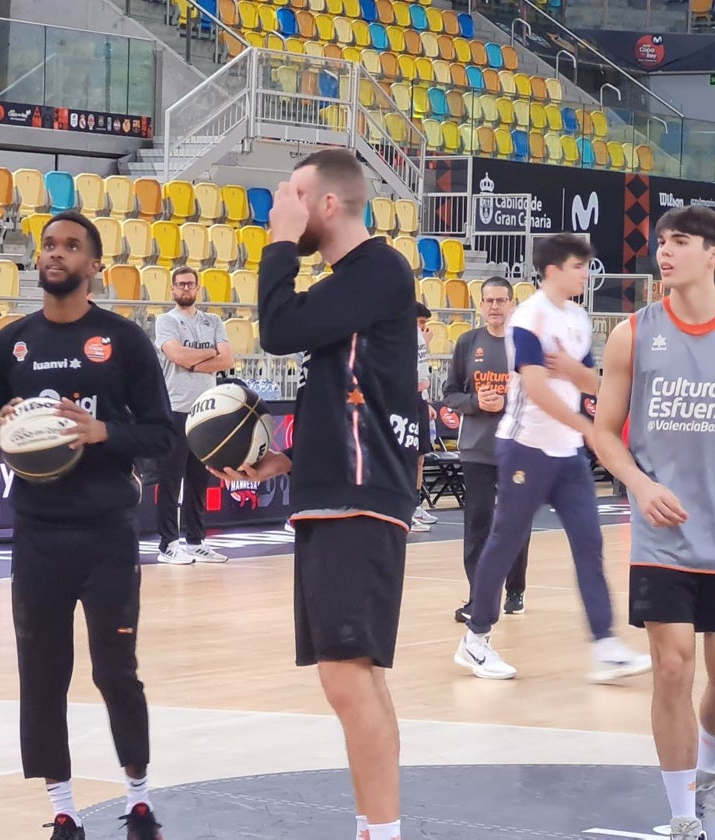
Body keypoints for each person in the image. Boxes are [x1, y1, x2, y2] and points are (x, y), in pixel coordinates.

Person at [215, 149, 420, 840]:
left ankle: (382, 831)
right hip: (343, 486)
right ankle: (374, 826)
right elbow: (358, 393)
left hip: (359, 497)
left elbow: (278, 329)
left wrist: (277, 242)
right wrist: (287, 461)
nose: (284, 206)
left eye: (295, 195)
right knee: (356, 676)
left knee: (344, 677)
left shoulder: (375, 269)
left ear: (327, 204)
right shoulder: (355, 285)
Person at [0, 210, 176, 840]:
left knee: (115, 668)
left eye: (71, 246)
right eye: (49, 245)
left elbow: (163, 434)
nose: (55, 254)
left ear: (95, 266)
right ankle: (62, 808)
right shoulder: (10, 344)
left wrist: (104, 431)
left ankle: (138, 795)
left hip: (107, 531)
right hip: (38, 533)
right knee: (43, 672)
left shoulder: (124, 340)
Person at [453, 233, 650, 683]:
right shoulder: (529, 317)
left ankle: (605, 644)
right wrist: (588, 428)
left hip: (567, 454)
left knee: (589, 543)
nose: (586, 273)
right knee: (504, 542)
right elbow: (536, 388)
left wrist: (575, 378)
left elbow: (592, 381)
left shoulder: (579, 317)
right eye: (579, 266)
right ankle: (475, 639)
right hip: (525, 446)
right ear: (554, 270)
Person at [592, 206, 715, 840]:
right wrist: (639, 484)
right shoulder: (632, 335)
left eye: (682, 242)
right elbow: (603, 432)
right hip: (662, 534)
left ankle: (707, 755)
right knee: (673, 666)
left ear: (711, 254)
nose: (665, 252)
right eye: (662, 241)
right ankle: (683, 816)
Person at [443, 276, 530, 622]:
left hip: (518, 448)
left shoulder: (525, 347)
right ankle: (479, 597)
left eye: (501, 300)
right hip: (476, 449)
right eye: (489, 301)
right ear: (480, 306)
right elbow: (450, 394)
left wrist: (507, 401)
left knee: (515, 521)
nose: (495, 307)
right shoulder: (467, 343)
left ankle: (516, 590)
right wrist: (477, 402)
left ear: (511, 304)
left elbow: (538, 396)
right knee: (477, 525)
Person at [153, 265, 235, 565]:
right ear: (173, 289)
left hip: (206, 410)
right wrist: (208, 355)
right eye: (180, 284)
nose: (185, 289)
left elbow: (228, 359)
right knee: (171, 480)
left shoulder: (213, 320)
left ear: (198, 288)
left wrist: (192, 361)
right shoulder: (166, 321)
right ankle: (168, 543)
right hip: (175, 407)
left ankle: (197, 540)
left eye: (190, 284)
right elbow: (175, 355)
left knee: (200, 480)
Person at [412, 303, 437, 533]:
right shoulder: (403, 337)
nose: (424, 328)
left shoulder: (420, 341)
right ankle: (406, 506)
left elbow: (423, 370)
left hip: (420, 398)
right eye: (420, 323)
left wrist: (427, 401)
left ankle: (415, 504)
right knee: (408, 456)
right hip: (405, 399)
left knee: (420, 456)